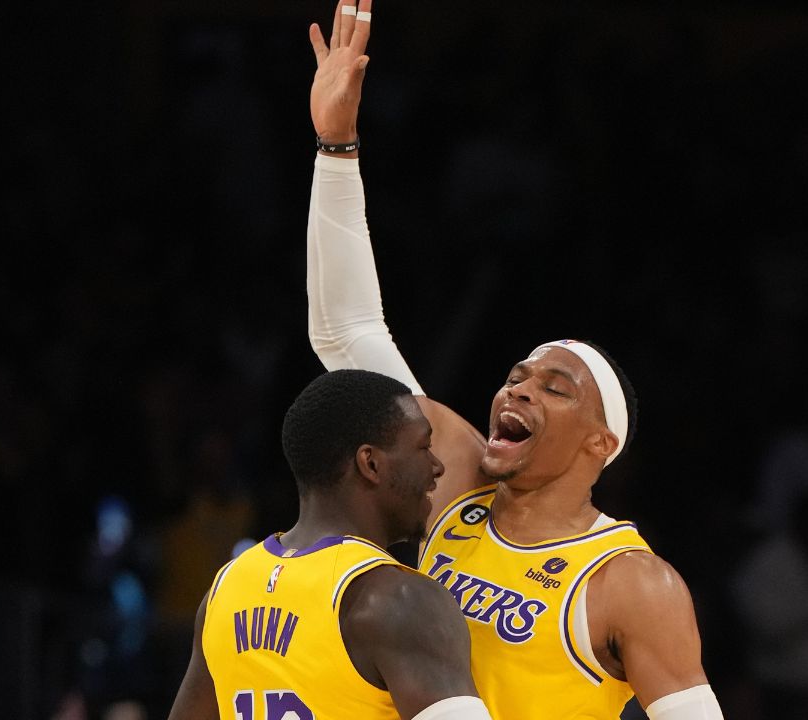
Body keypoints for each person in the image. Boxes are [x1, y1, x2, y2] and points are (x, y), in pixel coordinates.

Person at [304, 2, 725, 719]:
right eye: (517, 376)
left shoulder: (631, 583)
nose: (520, 389)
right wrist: (336, 145)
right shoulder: (454, 481)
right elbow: (346, 334)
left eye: (555, 388)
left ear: (602, 442)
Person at [166, 368, 493, 720]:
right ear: (370, 463)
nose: (438, 466)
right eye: (424, 447)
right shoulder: (397, 598)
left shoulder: (225, 589)